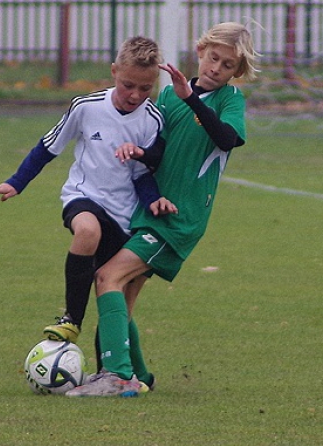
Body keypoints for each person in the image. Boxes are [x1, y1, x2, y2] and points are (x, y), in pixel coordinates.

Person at [66, 22, 260, 397]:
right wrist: (139, 152)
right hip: (152, 211)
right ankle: (138, 376)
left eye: (227, 64)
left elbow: (227, 138)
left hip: (180, 219)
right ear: (201, 51)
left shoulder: (228, 99)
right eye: (213, 57)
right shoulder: (168, 96)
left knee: (107, 276)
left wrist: (191, 98)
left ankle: (116, 376)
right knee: (121, 296)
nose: (217, 67)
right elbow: (158, 151)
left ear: (237, 71)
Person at [0, 36, 177, 345]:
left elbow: (143, 176)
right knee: (86, 231)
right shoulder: (86, 107)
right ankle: (72, 319)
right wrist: (16, 182)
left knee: (117, 302)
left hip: (123, 214)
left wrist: (154, 201)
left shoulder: (152, 119)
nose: (135, 95)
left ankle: (123, 373)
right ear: (114, 71)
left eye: (145, 88)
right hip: (83, 196)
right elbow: (48, 147)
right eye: (128, 84)